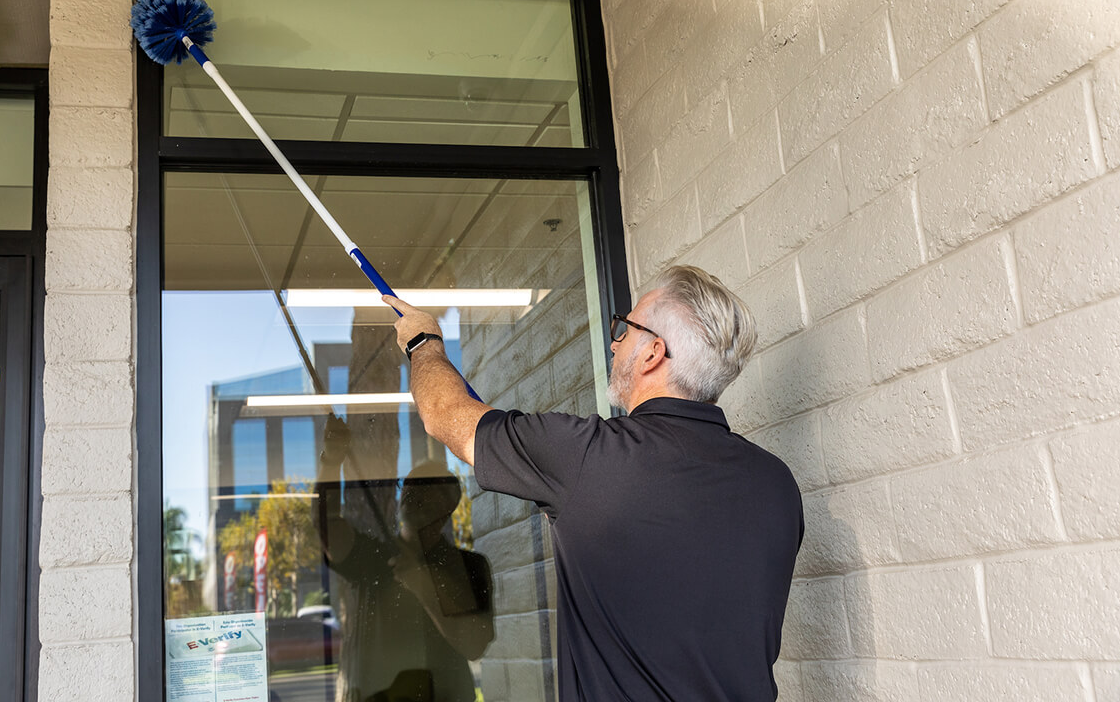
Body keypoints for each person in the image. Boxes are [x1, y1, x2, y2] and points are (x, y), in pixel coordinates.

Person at [383, 264, 804, 702]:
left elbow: (445, 414)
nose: (614, 341)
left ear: (652, 353)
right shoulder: (777, 483)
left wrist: (423, 341)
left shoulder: (588, 456)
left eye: (624, 329)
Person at [315, 417, 494, 702]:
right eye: (407, 485)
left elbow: (473, 646)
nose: (410, 492)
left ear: (448, 505)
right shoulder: (375, 557)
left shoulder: (470, 567)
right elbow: (327, 525)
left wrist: (424, 586)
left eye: (424, 487)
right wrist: (331, 460)